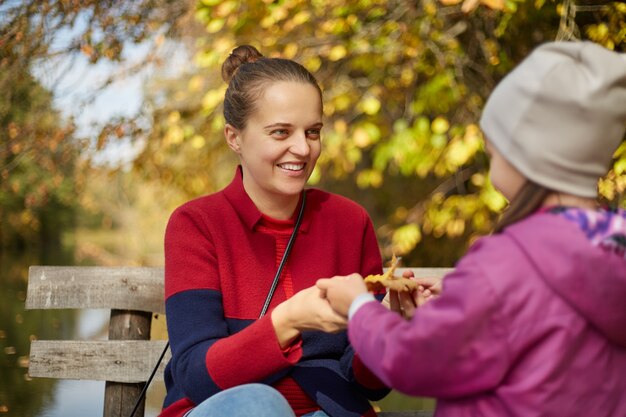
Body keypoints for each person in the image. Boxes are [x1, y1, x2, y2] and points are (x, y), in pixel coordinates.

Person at [317, 41, 626, 416]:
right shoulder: (614, 246)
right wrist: (443, 314)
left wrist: (359, 308)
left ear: (523, 155)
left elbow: (415, 362)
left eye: (493, 151)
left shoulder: (504, 265)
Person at [160, 45, 389, 417]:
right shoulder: (197, 224)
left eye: (312, 132)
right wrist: (288, 322)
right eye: (281, 132)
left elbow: (370, 386)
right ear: (234, 137)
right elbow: (195, 378)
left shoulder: (350, 222)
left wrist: (388, 327)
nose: (302, 149)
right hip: (226, 409)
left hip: (326, 411)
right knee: (259, 404)